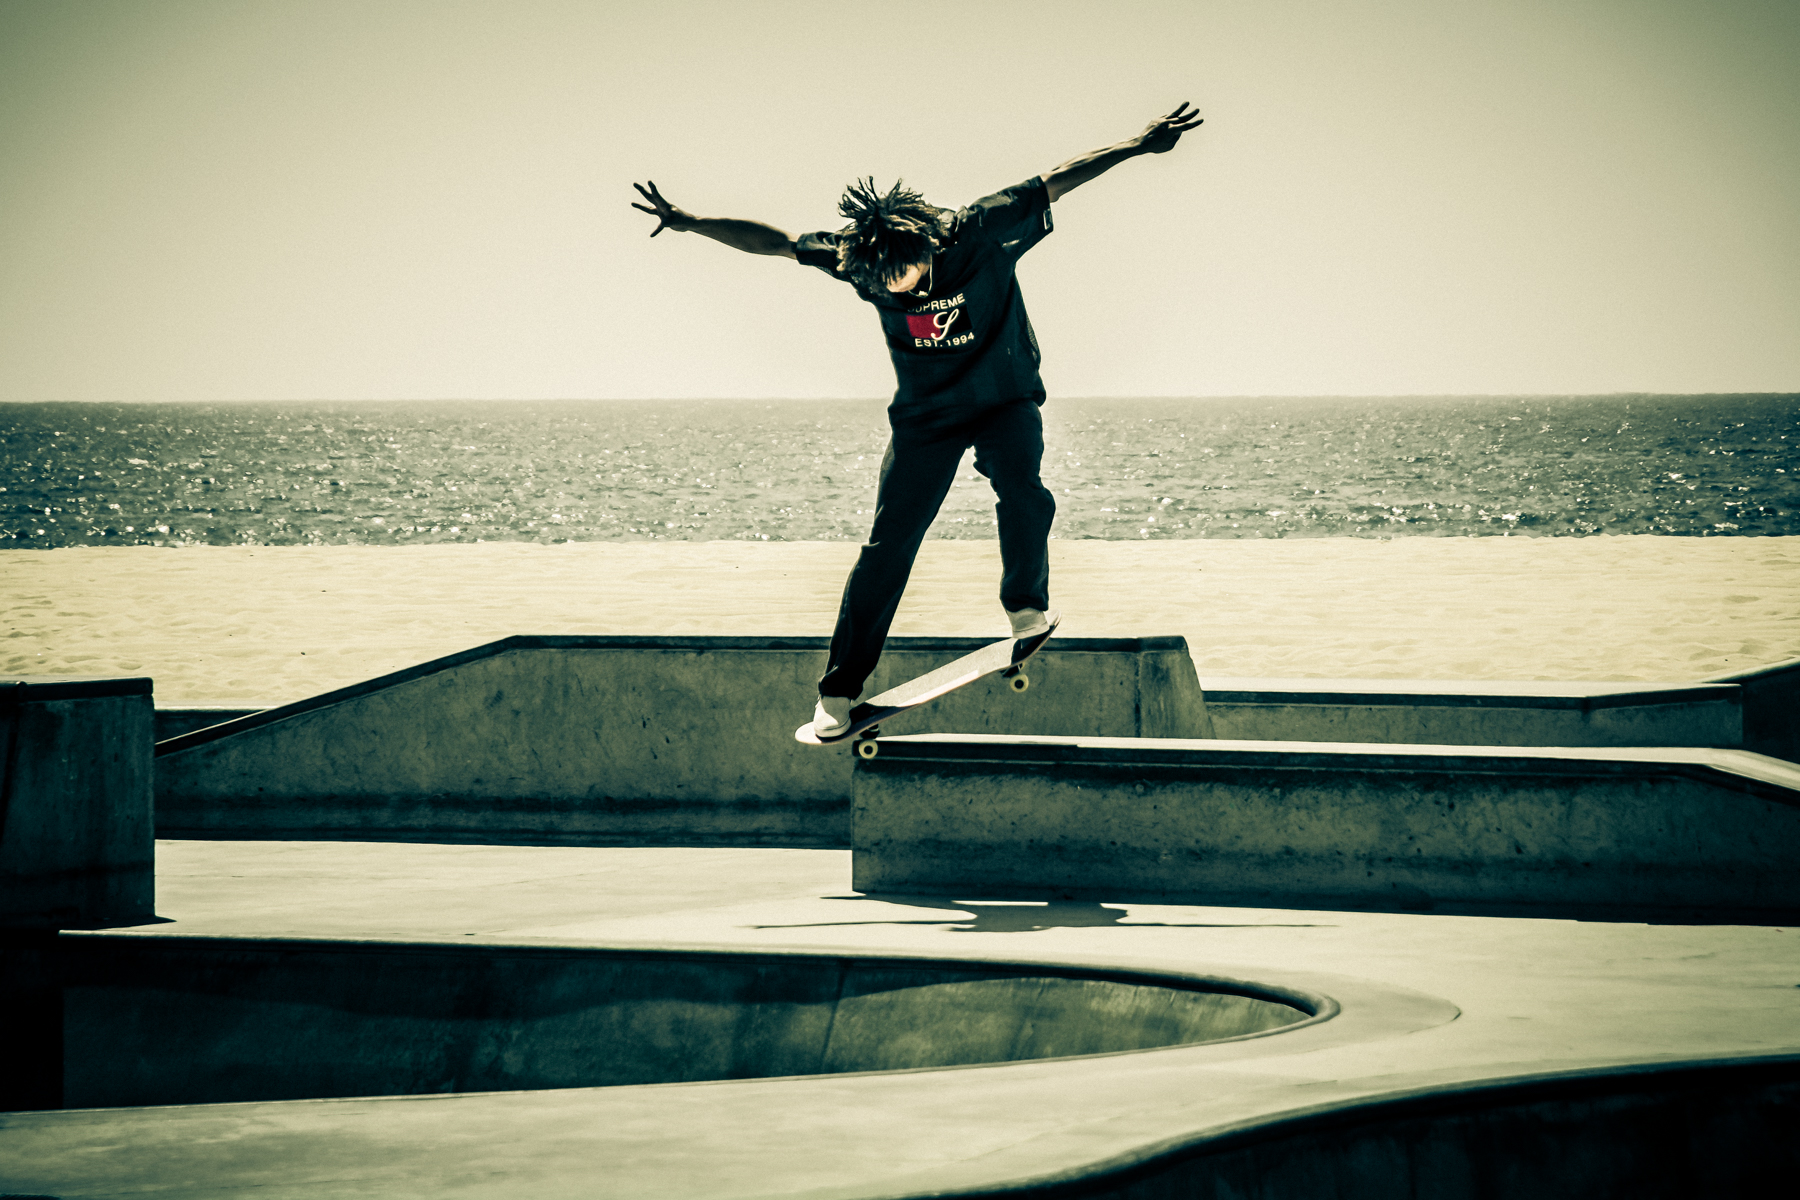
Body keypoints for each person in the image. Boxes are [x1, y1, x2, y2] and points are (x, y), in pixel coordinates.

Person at [632, 102, 1205, 737]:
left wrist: (1136, 145)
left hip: (1004, 398)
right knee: (887, 545)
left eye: (907, 279)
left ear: (928, 245)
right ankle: (839, 692)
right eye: (887, 289)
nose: (901, 294)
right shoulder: (858, 258)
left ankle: (1026, 608)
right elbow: (775, 243)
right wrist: (690, 222)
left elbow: (1057, 180)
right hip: (926, 418)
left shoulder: (981, 227)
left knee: (1021, 486)